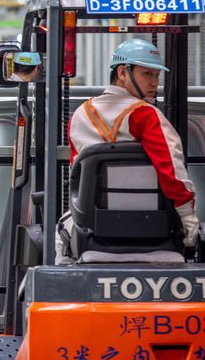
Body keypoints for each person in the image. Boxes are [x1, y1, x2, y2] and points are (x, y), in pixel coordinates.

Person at [67, 38, 198, 248]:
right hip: (152, 224)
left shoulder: (79, 115)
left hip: (91, 224)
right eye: (147, 74)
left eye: (157, 75)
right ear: (122, 73)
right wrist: (187, 215)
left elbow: (76, 172)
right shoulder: (146, 115)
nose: (155, 83)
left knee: (59, 239)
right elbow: (171, 169)